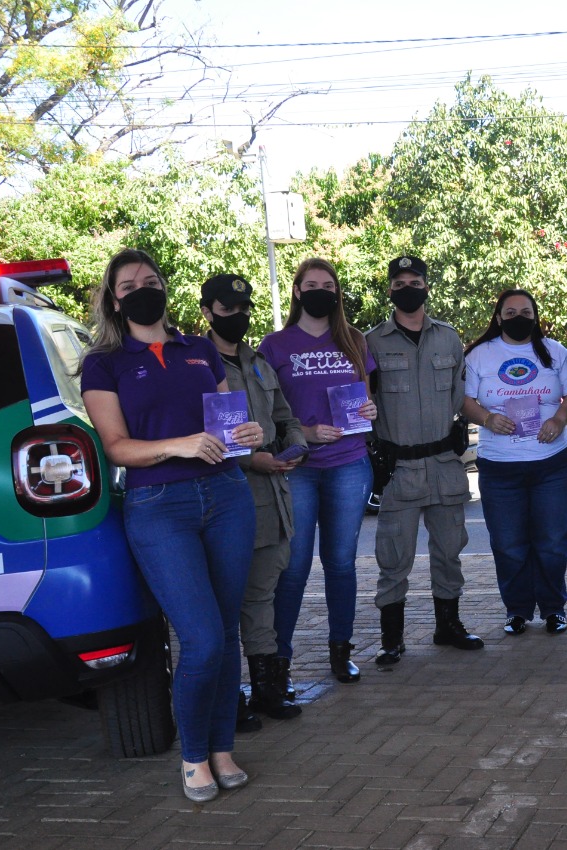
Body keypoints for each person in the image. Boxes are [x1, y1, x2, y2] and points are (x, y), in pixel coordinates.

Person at [81, 249, 262, 802]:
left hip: (228, 494)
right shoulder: (104, 363)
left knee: (226, 632)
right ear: (114, 299)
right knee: (202, 638)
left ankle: (222, 748)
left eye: (151, 280)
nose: (143, 289)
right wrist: (177, 446)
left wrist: (248, 434)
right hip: (159, 506)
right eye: (129, 284)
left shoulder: (200, 349)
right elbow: (117, 448)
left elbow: (228, 422)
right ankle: (192, 755)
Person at [258, 258, 377, 687]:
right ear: (296, 291)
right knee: (293, 567)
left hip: (349, 463)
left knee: (341, 563)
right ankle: (280, 661)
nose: (321, 291)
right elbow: (265, 415)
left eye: (328, 285)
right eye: (312, 284)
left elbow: (365, 399)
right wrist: (305, 432)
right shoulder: (273, 347)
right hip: (298, 467)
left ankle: (341, 650)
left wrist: (369, 410)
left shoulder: (355, 340)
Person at [199, 274, 305, 727]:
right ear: (207, 311)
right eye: (227, 309)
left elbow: (285, 417)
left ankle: (265, 690)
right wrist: (251, 461)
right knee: (226, 604)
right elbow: (200, 439)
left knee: (262, 597)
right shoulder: (196, 364)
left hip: (275, 500)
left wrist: (296, 445)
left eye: (244, 309)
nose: (238, 316)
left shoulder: (258, 363)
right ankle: (228, 696)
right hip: (227, 499)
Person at [366, 256, 483, 665]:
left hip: (443, 464)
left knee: (449, 551)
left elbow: (458, 396)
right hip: (399, 468)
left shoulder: (449, 339)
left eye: (415, 281)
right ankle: (392, 638)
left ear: (427, 286)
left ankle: (448, 626)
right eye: (400, 283)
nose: (408, 288)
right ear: (390, 290)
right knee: (394, 556)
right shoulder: (372, 342)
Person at [462, 289, 567, 635]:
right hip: (500, 466)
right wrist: (486, 419)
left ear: (535, 315)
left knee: (551, 540)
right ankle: (516, 610)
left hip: (552, 463)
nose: (519, 317)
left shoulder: (554, 352)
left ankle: (553, 609)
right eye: (510, 311)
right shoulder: (479, 356)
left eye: (526, 311)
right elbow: (465, 401)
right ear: (498, 317)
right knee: (508, 544)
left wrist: (560, 419)